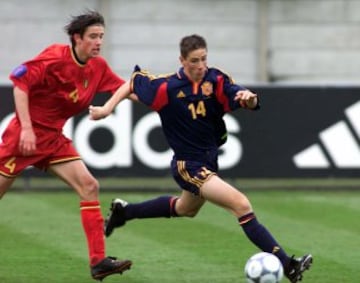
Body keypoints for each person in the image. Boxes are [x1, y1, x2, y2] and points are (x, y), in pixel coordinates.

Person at [89, 34, 313, 283]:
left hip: (208, 160)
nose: (200, 66)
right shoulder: (167, 87)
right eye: (194, 60)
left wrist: (250, 99)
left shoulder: (215, 79)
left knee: (186, 209)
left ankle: (125, 212)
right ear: (182, 60)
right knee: (241, 204)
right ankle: (288, 265)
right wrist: (107, 109)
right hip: (188, 165)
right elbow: (132, 83)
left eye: (204, 59)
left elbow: (240, 95)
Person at [0, 10, 132, 281]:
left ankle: (98, 262)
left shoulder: (98, 67)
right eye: (93, 37)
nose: (98, 42)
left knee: (89, 186)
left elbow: (126, 89)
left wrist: (161, 99)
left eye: (101, 37)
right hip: (23, 139)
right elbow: (20, 83)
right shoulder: (55, 57)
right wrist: (26, 128)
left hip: (53, 140)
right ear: (76, 38)